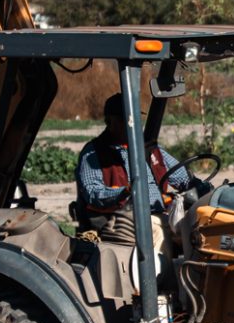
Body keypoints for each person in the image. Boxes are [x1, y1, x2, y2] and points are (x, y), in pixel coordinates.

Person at [76, 93, 191, 238]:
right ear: (110, 122)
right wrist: (125, 191)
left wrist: (196, 186)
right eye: (127, 120)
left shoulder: (149, 148)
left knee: (197, 225)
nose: (134, 124)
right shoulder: (94, 152)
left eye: (136, 119)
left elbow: (181, 177)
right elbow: (93, 192)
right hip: (120, 221)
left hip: (157, 214)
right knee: (159, 230)